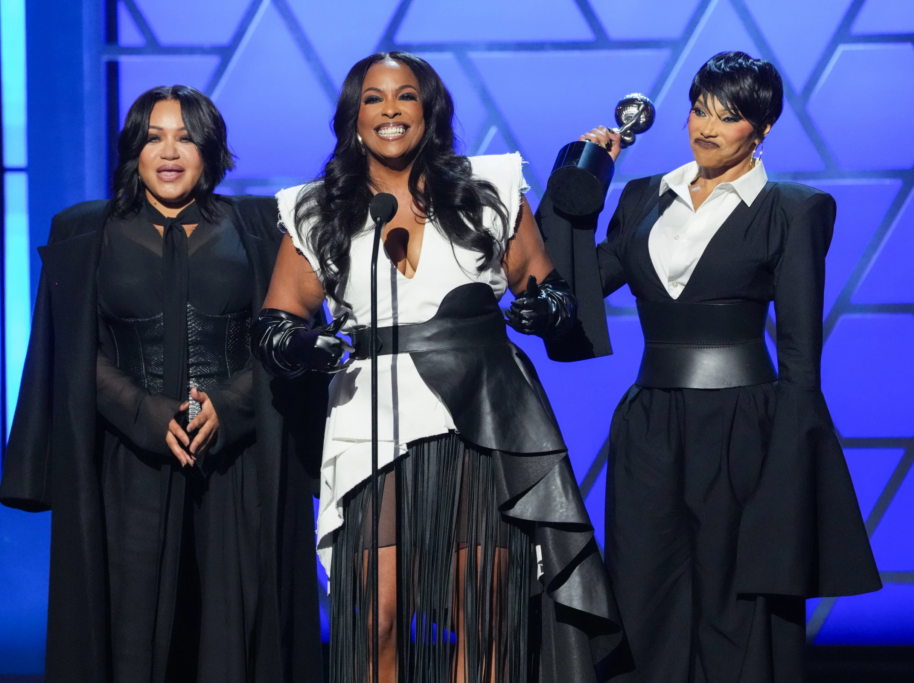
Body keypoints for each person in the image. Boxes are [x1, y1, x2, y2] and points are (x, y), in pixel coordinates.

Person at [252, 52, 627, 683]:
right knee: (374, 616)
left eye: (406, 96)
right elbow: (273, 322)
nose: (391, 110)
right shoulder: (317, 210)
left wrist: (542, 308)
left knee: (483, 613)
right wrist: (298, 344)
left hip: (481, 416)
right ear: (354, 114)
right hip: (371, 422)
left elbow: (550, 291)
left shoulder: (489, 190)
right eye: (374, 98)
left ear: (430, 110)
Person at [538, 52, 881, 682]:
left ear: (764, 129)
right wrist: (576, 190)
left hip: (744, 423)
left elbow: (802, 358)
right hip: (650, 423)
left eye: (729, 116)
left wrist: (791, 468)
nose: (707, 127)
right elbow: (571, 297)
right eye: (700, 109)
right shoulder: (644, 198)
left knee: (737, 607)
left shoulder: (793, 209)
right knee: (642, 597)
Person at [0, 85, 324, 683]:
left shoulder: (261, 226)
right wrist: (146, 413)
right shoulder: (84, 233)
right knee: (129, 638)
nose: (169, 152)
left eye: (186, 137)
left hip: (239, 466)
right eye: (154, 137)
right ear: (133, 151)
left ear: (211, 150)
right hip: (125, 466)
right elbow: (72, 353)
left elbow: (290, 339)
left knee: (239, 638)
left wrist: (228, 406)